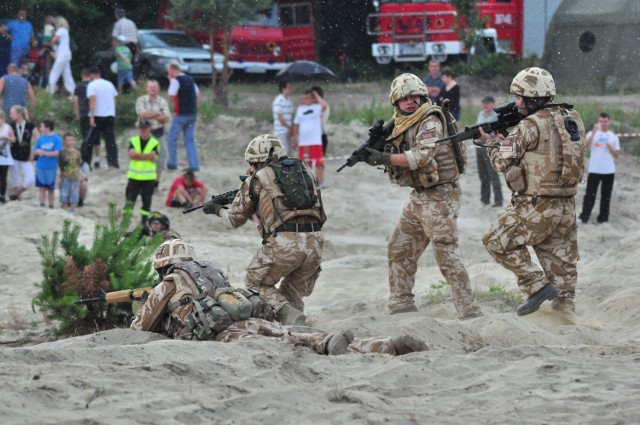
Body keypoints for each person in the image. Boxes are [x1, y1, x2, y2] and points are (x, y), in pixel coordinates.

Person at [131, 239, 428, 356]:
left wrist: (138, 311)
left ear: (162, 266)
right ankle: (385, 344)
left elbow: (141, 328)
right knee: (294, 332)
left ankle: (330, 345)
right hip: (251, 318)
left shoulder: (170, 280)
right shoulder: (210, 271)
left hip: (225, 334)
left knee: (290, 344)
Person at [361, 73, 482, 320]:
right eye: (404, 98)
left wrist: (383, 158)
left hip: (440, 196)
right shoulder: (401, 123)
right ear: (396, 103)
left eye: (415, 96)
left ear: (422, 97)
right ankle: (401, 304)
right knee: (400, 247)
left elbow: (421, 157)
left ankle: (469, 310)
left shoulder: (430, 119)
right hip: (420, 196)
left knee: (445, 253)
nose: (410, 101)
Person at [477, 67, 586, 316]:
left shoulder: (530, 124)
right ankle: (564, 320)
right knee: (563, 273)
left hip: (536, 205)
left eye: (520, 97)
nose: (516, 102)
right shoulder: (573, 117)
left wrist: (492, 143)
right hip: (566, 204)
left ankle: (535, 286)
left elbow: (502, 162)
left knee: (495, 242)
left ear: (532, 98)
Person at [202, 134, 327, 326]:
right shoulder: (305, 171)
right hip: (316, 242)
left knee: (255, 282)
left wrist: (216, 209)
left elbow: (233, 220)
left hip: (285, 243)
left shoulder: (257, 178)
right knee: (289, 292)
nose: (251, 168)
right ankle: (296, 324)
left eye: (253, 163)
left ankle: (286, 313)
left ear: (260, 162)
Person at [578, 112, 620, 224]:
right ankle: (584, 217)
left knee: (606, 197)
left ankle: (603, 219)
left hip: (609, 171)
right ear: (598, 122)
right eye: (601, 121)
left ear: (609, 122)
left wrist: (611, 149)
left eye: (605, 121)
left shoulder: (613, 136)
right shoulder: (592, 133)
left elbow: (617, 155)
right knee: (589, 195)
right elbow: (585, 147)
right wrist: (593, 134)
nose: (603, 123)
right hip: (594, 169)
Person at [166, 61, 201, 171]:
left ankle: (172, 163)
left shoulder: (176, 80)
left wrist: (170, 81)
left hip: (181, 114)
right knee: (190, 140)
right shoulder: (190, 79)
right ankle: (194, 165)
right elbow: (198, 96)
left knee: (172, 138)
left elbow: (171, 97)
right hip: (192, 114)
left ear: (172, 70)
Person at [124, 119, 160, 226]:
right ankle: (125, 222)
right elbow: (131, 155)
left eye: (145, 128)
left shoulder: (155, 142)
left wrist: (137, 156)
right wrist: (146, 157)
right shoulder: (133, 140)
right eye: (141, 128)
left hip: (148, 178)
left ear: (149, 129)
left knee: (146, 202)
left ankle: (144, 223)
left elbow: (152, 157)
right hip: (134, 177)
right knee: (130, 201)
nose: (143, 130)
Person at [136, 79, 171, 184]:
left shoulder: (162, 101)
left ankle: (155, 184)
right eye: (150, 87)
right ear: (147, 88)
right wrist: (157, 113)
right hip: (144, 133)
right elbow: (142, 115)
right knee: (143, 158)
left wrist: (150, 114)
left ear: (158, 89)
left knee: (160, 159)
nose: (152, 89)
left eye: (154, 87)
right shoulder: (141, 100)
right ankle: (142, 182)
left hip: (159, 132)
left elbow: (166, 118)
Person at [292, 88, 328, 187]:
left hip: (315, 141)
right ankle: (305, 183)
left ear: (312, 99)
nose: (304, 100)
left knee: (318, 163)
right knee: (303, 163)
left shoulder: (316, 107)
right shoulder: (300, 109)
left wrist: (316, 95)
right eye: (303, 98)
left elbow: (324, 105)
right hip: (303, 142)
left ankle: (321, 183)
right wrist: (294, 138)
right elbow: (296, 124)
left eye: (307, 98)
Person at [87, 66, 118, 169]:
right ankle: (113, 162)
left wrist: (91, 116)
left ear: (91, 75)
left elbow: (92, 101)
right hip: (109, 114)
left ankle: (94, 160)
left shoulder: (92, 85)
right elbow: (114, 99)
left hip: (97, 115)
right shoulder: (109, 84)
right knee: (110, 140)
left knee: (95, 139)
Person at [475, 96, 503, 207]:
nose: (485, 106)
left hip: (490, 147)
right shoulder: (480, 114)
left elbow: (500, 134)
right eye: (484, 103)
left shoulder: (496, 116)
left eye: (487, 103)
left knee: (493, 175)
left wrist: (492, 141)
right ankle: (485, 200)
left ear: (492, 104)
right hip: (479, 147)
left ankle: (498, 201)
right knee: (483, 176)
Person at [9, 105, 38, 201]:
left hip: (26, 157)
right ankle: (17, 200)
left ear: (19, 114)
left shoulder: (30, 126)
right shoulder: (11, 126)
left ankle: (17, 194)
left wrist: (33, 153)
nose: (10, 115)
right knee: (15, 180)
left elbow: (38, 140)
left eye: (12, 113)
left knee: (31, 179)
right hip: (13, 156)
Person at [32, 119, 62, 208]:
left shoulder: (57, 139)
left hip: (51, 167)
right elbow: (34, 151)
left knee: (50, 188)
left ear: (47, 128)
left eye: (42, 127)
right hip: (40, 166)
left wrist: (44, 153)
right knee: (41, 188)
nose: (40, 129)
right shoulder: (41, 139)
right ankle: (42, 205)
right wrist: (37, 151)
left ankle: (51, 205)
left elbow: (57, 153)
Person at [47, 16, 75, 95]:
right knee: (67, 75)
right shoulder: (65, 31)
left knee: (54, 73)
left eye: (56, 23)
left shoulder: (61, 30)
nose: (55, 25)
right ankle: (73, 92)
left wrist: (50, 46)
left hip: (63, 55)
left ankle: (49, 92)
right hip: (65, 55)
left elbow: (53, 41)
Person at [58, 132, 82, 212]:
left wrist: (80, 174)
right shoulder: (62, 153)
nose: (70, 142)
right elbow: (60, 164)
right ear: (64, 141)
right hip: (65, 177)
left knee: (74, 194)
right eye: (68, 140)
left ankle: (73, 209)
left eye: (72, 140)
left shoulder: (77, 153)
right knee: (64, 193)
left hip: (75, 177)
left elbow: (79, 164)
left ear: (74, 141)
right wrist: (59, 173)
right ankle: (65, 208)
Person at [74, 68, 92, 166]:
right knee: (91, 137)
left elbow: (76, 101)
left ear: (82, 76)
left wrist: (77, 113)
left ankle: (83, 157)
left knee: (85, 136)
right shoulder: (93, 85)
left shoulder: (79, 86)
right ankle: (87, 159)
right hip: (93, 114)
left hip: (83, 114)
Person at [272, 80, 293, 155]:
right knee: (284, 151)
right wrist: (290, 127)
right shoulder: (279, 101)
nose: (291, 90)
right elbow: (280, 118)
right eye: (289, 88)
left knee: (289, 151)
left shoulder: (289, 101)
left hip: (287, 130)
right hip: (281, 130)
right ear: (283, 89)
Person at [0, 110, 16, 203]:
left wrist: (6, 138)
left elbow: (14, 139)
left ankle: (2, 196)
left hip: (5, 157)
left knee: (3, 178)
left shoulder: (8, 127)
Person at [312, 85, 331, 155]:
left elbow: (324, 105)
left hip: (321, 135)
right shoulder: (314, 107)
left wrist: (316, 95)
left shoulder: (323, 106)